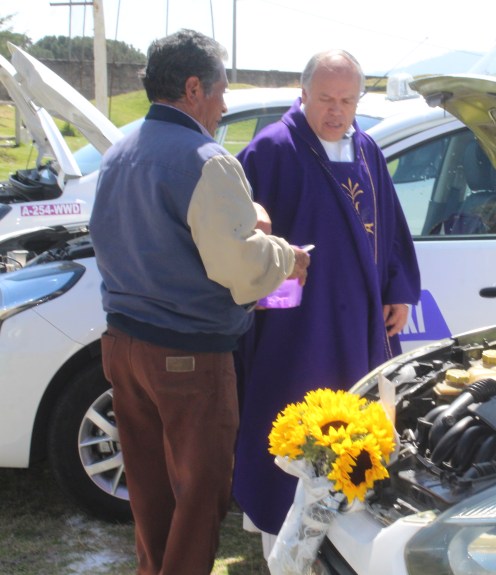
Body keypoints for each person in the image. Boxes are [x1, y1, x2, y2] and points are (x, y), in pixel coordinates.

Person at [88, 29, 311, 575]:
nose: (225, 103)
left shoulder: (120, 150)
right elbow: (238, 267)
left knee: (150, 493)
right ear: (193, 89)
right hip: (186, 358)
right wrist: (288, 258)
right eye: (221, 89)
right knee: (199, 496)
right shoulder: (206, 159)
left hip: (123, 346)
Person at [231, 49, 421, 553]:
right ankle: (278, 536)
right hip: (295, 332)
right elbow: (242, 241)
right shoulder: (271, 150)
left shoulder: (367, 150)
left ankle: (343, 539)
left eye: (347, 100)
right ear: (303, 94)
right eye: (325, 99)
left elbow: (392, 230)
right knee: (292, 425)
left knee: (356, 422)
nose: (336, 112)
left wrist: (399, 290)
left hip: (359, 323)